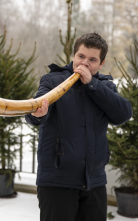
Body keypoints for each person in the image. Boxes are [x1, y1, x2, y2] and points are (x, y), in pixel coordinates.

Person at [25, 33, 132, 221]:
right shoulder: (52, 81)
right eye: (81, 57)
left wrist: (92, 84)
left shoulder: (105, 88)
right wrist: (36, 114)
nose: (84, 63)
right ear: (74, 56)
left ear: (101, 63)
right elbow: (37, 112)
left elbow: (123, 114)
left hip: (95, 182)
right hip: (57, 182)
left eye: (92, 59)